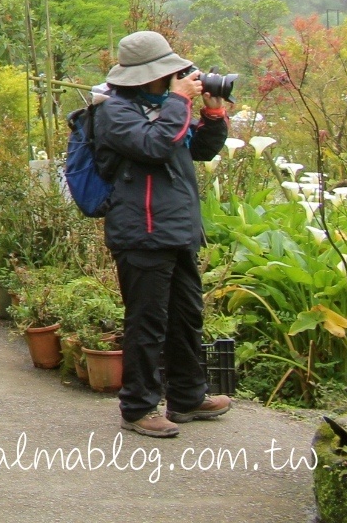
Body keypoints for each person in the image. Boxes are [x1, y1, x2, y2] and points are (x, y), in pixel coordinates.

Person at [92, 30, 234, 437]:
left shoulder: (163, 108)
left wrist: (212, 112)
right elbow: (154, 147)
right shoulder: (114, 113)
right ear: (144, 77)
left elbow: (200, 150)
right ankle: (138, 408)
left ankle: (188, 396)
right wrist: (179, 101)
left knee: (188, 318)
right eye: (170, 73)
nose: (179, 77)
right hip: (141, 234)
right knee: (147, 322)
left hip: (177, 230)